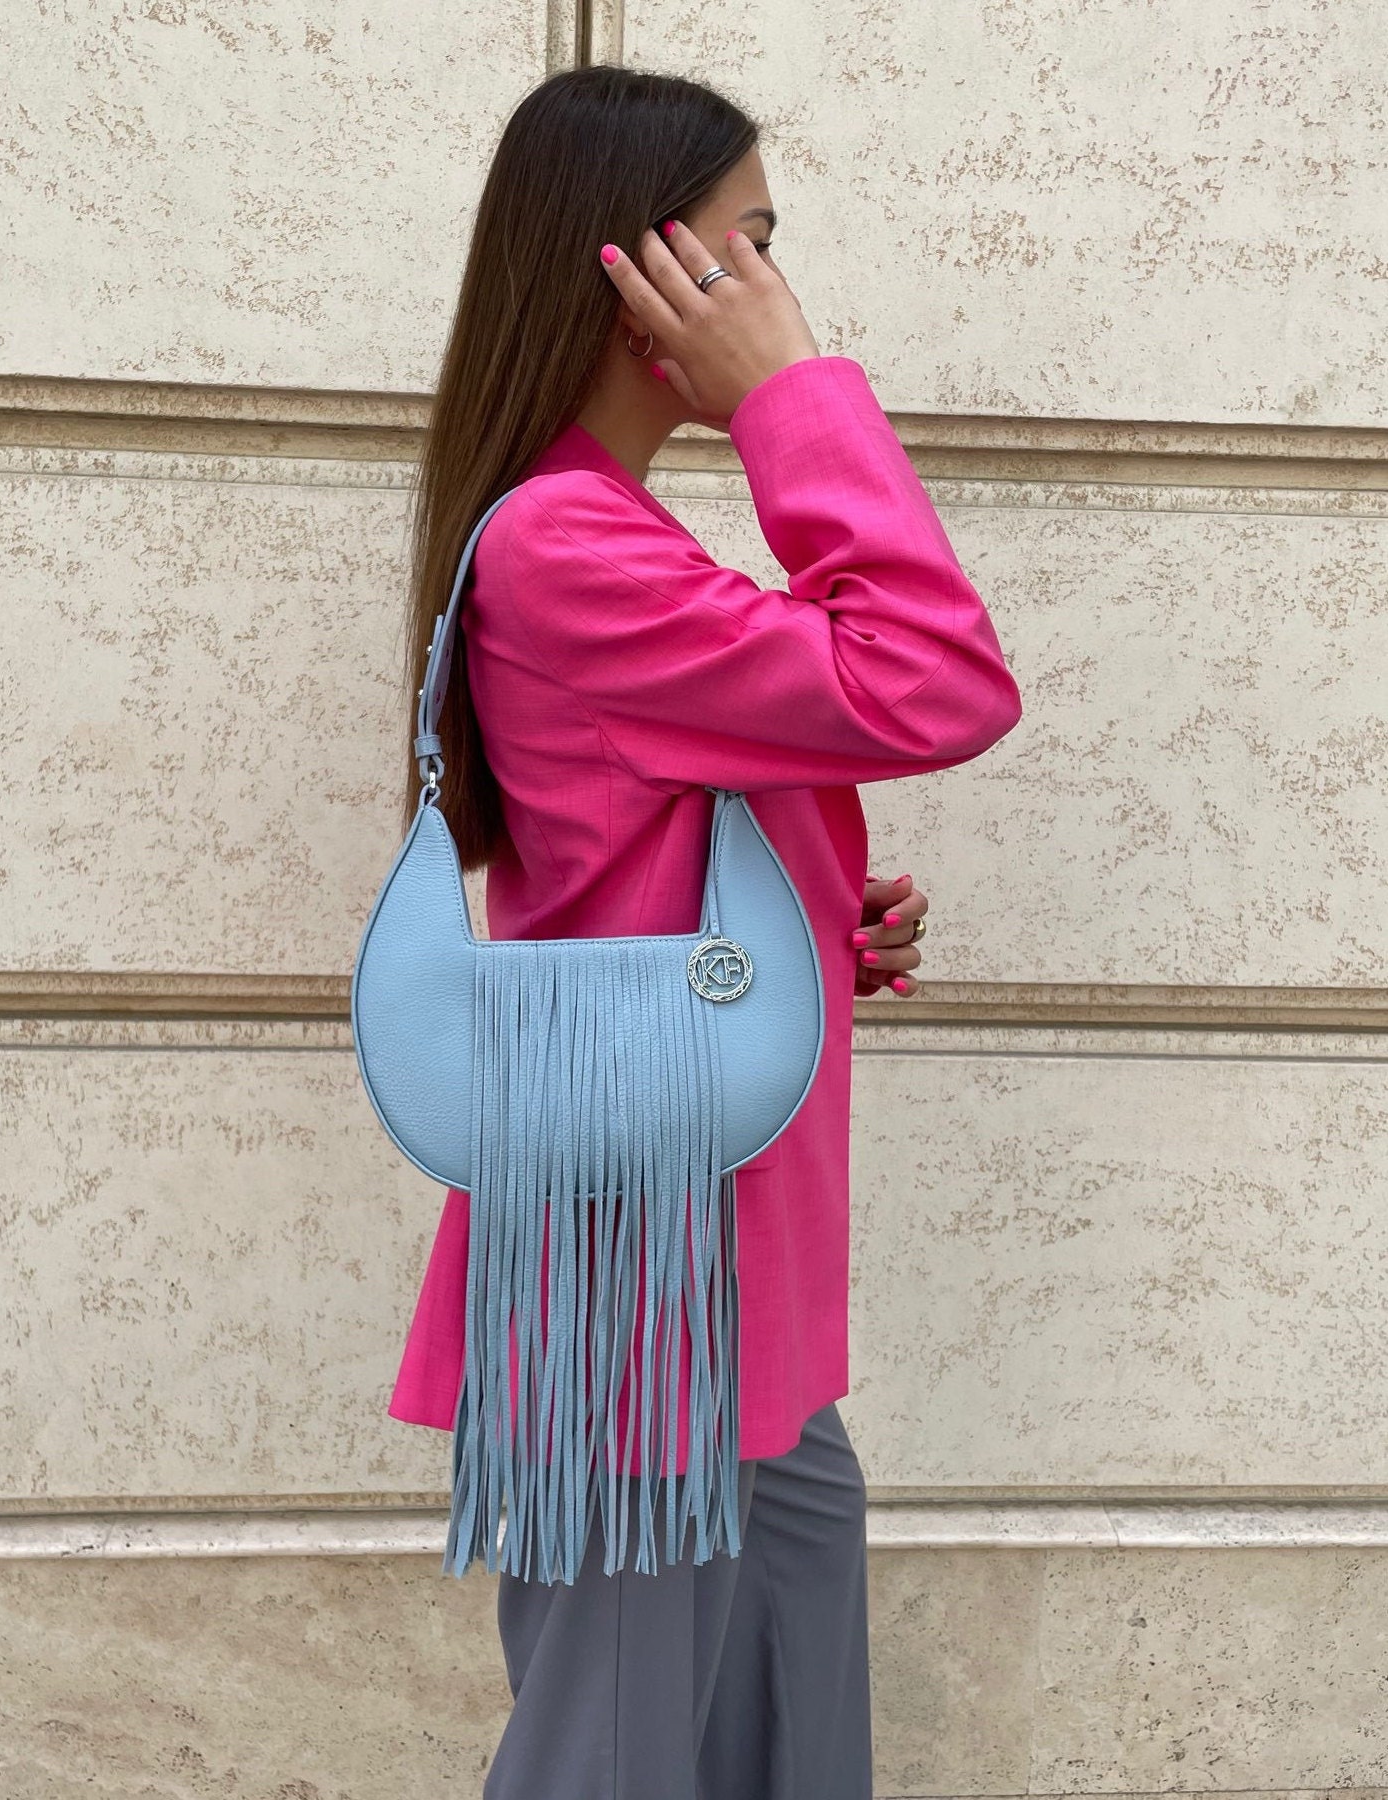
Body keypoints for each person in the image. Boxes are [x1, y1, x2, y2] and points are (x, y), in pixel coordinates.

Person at [382, 62, 1022, 1800]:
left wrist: (813, 903)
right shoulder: (566, 544)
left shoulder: (606, 530)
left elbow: (655, 806)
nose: (772, 292)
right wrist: (793, 400)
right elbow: (934, 678)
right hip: (643, 1256)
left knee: (782, 1676)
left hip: (705, 1235)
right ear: (632, 273)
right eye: (748, 247)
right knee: (613, 1745)